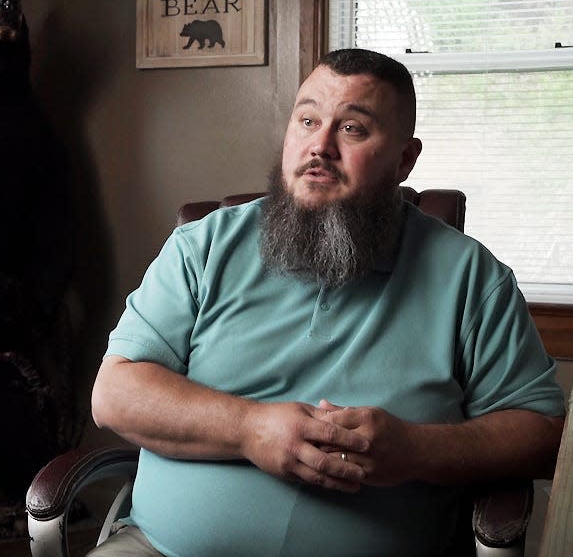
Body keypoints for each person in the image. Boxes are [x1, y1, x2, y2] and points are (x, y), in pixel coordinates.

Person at [88, 49, 565, 556]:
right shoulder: (203, 248)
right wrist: (250, 429)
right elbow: (114, 393)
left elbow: (542, 433)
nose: (320, 146)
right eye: (308, 120)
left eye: (353, 129)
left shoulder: (471, 278)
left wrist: (417, 450)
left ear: (405, 159)